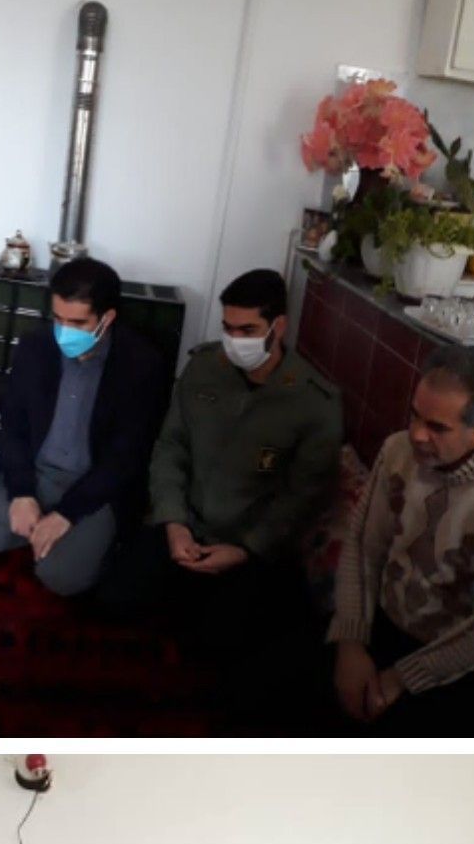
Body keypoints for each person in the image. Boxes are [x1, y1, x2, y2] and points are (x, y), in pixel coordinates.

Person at [101, 269, 341, 700]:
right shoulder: (204, 368)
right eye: (228, 328)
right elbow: (170, 448)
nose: (234, 341)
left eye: (247, 330)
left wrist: (246, 549)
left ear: (278, 326)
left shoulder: (313, 402)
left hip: (248, 545)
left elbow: (302, 497)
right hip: (186, 525)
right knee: (113, 598)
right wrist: (173, 522)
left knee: (221, 652)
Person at [330, 346, 474, 737]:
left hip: (462, 666)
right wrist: (350, 642)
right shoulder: (397, 451)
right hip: (384, 627)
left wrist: (397, 680)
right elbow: (363, 546)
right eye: (415, 415)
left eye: (437, 427)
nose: (417, 434)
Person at [0, 257, 166, 595]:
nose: (65, 332)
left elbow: (125, 458)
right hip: (39, 474)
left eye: (78, 322)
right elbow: (14, 427)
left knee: (60, 577)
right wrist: (22, 492)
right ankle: (42, 530)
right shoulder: (36, 347)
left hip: (94, 486)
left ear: (107, 318)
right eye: (59, 319)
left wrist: (67, 514)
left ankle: (76, 542)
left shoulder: (140, 364)